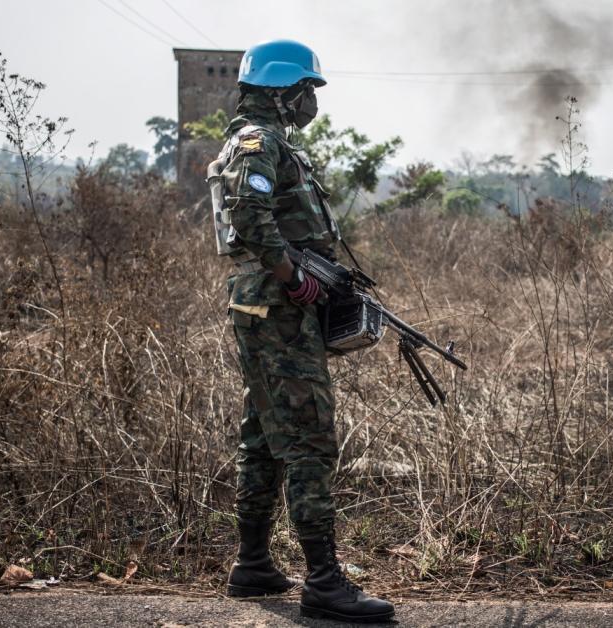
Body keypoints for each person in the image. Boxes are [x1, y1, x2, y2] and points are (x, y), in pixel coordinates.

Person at [215, 39, 395, 623]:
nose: (311, 101)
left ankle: (253, 564)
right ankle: (323, 582)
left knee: (264, 433)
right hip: (277, 307)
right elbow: (249, 216)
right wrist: (295, 278)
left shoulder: (269, 143)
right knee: (310, 436)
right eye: (307, 89)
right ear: (281, 90)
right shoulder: (259, 141)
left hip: (264, 304)